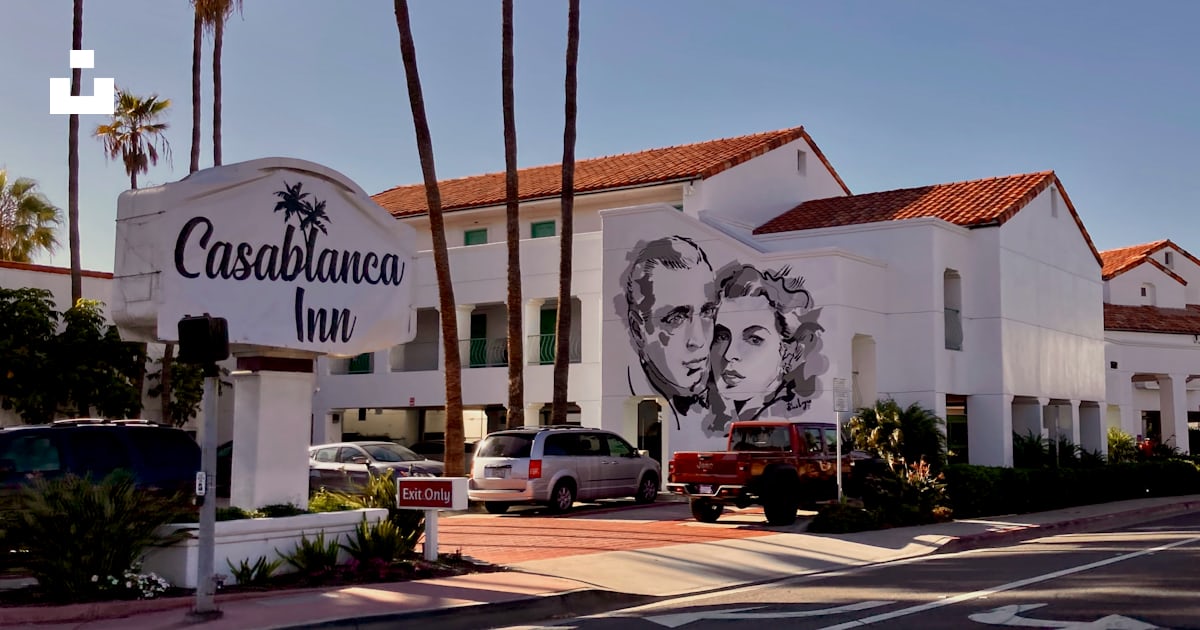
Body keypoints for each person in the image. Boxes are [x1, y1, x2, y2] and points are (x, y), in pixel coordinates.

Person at [708, 264, 823, 431]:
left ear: (787, 353)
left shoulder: (783, 420)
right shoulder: (720, 415)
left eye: (754, 339)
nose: (730, 354)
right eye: (722, 336)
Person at [623, 236, 720, 430]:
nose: (698, 340)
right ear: (638, 329)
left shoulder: (725, 390)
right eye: (676, 319)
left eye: (707, 312)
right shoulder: (635, 400)